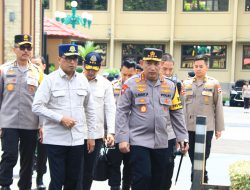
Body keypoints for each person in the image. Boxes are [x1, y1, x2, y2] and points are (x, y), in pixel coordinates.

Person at [116, 48, 189, 190]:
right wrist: (123, 138)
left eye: (156, 63)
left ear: (161, 64)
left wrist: (182, 136)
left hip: (162, 141)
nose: (152, 67)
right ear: (142, 63)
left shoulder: (170, 86)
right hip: (138, 141)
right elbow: (122, 112)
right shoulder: (130, 84)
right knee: (142, 177)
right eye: (148, 63)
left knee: (159, 180)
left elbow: (177, 112)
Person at [32, 44, 96, 190]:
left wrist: (91, 136)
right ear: (60, 59)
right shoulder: (50, 80)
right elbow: (37, 106)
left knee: (73, 180)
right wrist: (60, 118)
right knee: (57, 179)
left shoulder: (82, 80)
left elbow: (90, 110)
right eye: (68, 58)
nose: (72, 62)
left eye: (75, 59)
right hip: (56, 140)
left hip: (77, 140)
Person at [0, 34, 43, 190]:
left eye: (28, 47)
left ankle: (25, 186)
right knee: (9, 155)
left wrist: (42, 124)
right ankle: (5, 184)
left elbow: (42, 100)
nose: (25, 51)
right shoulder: (4, 70)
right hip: (9, 121)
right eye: (22, 47)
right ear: (15, 49)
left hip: (30, 122)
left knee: (28, 158)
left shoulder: (37, 72)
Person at [182, 54, 225, 183]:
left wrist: (219, 128)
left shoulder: (214, 84)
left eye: (201, 66)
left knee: (204, 155)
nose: (198, 69)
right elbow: (182, 107)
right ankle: (199, 178)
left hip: (207, 127)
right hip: (189, 126)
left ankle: (199, 177)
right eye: (196, 66)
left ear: (206, 67)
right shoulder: (186, 84)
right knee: (192, 155)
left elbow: (218, 107)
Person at [81, 51, 116, 190]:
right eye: (88, 68)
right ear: (83, 65)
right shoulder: (76, 80)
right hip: (75, 133)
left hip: (95, 135)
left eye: (94, 69)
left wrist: (111, 132)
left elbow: (110, 109)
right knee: (75, 170)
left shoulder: (105, 84)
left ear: (100, 68)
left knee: (89, 171)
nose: (90, 72)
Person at [107, 59, 137, 190]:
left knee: (130, 165)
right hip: (115, 132)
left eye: (130, 75)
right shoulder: (112, 86)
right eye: (124, 74)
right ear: (120, 71)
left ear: (135, 73)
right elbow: (107, 109)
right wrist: (108, 132)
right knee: (114, 164)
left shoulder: (139, 87)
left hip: (133, 133)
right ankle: (114, 187)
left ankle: (126, 186)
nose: (126, 78)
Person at [160, 53, 182, 190]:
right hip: (151, 135)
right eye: (165, 69)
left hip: (170, 134)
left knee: (168, 170)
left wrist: (181, 136)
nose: (168, 73)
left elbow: (180, 112)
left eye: (170, 69)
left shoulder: (176, 85)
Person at [30, 56, 47, 190]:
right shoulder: (27, 78)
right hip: (29, 121)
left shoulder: (49, 80)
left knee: (42, 153)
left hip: (45, 122)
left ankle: (40, 178)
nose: (34, 66)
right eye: (33, 63)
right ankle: (27, 176)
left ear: (44, 66)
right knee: (27, 151)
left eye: (37, 64)